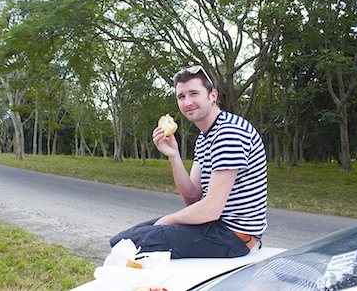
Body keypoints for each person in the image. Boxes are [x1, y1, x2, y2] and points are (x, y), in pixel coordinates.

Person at [109, 65, 268, 259]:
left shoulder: (229, 132)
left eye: (194, 93)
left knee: (131, 245)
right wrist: (174, 155)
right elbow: (192, 197)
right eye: (181, 96)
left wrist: (167, 220)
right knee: (125, 239)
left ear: (212, 95)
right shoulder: (204, 137)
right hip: (215, 227)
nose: (187, 102)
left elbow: (210, 209)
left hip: (233, 236)